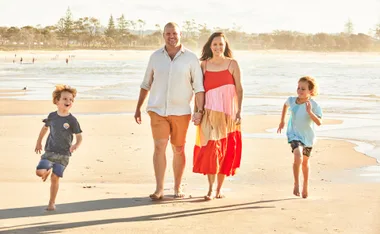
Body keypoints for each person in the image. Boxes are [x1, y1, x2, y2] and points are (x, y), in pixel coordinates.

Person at [134, 22, 205, 200]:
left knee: (178, 149)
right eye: (168, 34)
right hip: (157, 110)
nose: (171, 36)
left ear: (180, 34)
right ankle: (159, 189)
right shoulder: (155, 57)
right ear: (163, 35)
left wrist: (199, 111)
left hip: (181, 111)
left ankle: (177, 186)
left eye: (174, 33)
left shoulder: (190, 58)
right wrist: (138, 108)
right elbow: (146, 84)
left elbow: (199, 87)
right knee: (159, 147)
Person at [193, 32, 243, 200]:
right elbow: (199, 91)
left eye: (221, 44)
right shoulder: (204, 66)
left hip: (228, 115)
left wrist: (239, 111)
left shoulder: (232, 64)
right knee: (210, 150)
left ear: (225, 46)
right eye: (215, 44)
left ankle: (219, 189)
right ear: (210, 46)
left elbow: (239, 89)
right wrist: (197, 112)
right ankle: (209, 188)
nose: (217, 47)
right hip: (208, 113)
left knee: (225, 150)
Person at [35, 84, 83, 210]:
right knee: (39, 172)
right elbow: (44, 129)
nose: (69, 101)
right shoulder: (52, 116)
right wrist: (38, 142)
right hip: (50, 151)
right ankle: (47, 169)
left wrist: (75, 145)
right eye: (65, 99)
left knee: (55, 178)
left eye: (71, 100)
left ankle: (51, 203)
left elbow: (79, 136)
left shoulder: (72, 120)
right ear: (57, 101)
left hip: (64, 154)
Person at [277, 76, 322, 199]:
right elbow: (285, 105)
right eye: (298, 88)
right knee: (298, 156)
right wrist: (282, 121)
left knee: (305, 162)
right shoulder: (292, 100)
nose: (300, 91)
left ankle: (305, 185)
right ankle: (296, 183)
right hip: (294, 134)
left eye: (303, 89)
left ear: (310, 91)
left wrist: (310, 112)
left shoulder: (314, 105)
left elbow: (319, 122)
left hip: (308, 137)